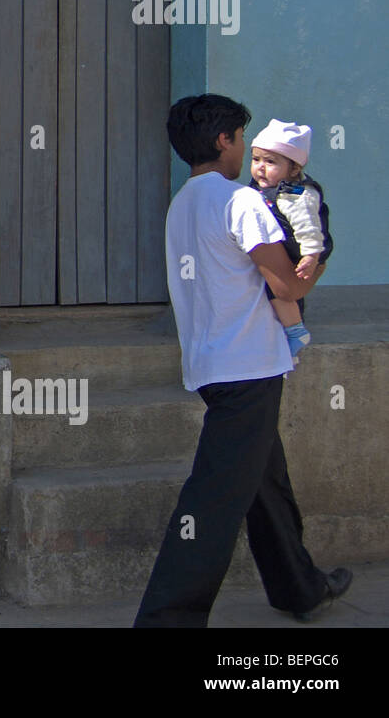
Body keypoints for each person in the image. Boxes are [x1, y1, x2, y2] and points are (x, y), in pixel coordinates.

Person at [133, 94, 350, 627]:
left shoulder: (183, 202)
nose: (249, 158)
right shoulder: (240, 201)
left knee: (264, 482)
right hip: (248, 369)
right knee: (211, 502)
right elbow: (286, 283)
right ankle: (168, 619)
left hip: (212, 366)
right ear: (222, 141)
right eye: (242, 140)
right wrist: (320, 254)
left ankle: (299, 587)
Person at [248, 119, 333, 356]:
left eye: (271, 161)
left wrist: (311, 254)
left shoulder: (295, 194)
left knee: (279, 291)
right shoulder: (260, 188)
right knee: (274, 291)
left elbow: (309, 226)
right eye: (256, 160)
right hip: (283, 250)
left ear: (294, 169)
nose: (260, 168)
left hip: (298, 253)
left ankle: (295, 331)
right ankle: (289, 334)